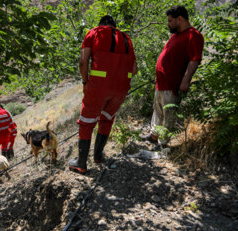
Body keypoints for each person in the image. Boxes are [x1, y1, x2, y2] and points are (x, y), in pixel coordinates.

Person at [69, 15, 138, 174]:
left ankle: (81, 163)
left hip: (98, 87)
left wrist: (85, 82)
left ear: (101, 24)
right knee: (107, 119)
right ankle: (98, 156)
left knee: (87, 122)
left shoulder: (94, 32)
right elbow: (134, 69)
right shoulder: (127, 38)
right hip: (121, 88)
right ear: (114, 26)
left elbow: (82, 62)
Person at [141, 6, 204, 146]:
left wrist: (185, 81)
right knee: (157, 111)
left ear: (180, 19)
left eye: (170, 21)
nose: (168, 24)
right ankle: (154, 136)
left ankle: (163, 143)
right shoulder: (176, 35)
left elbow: (195, 60)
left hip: (172, 85)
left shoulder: (193, 35)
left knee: (169, 114)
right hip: (161, 83)